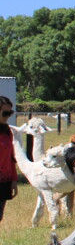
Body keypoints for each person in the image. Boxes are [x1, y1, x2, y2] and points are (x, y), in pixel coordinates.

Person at [0, 96, 18, 226]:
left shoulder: (7, 131)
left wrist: (14, 180)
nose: (8, 116)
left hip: (4, 181)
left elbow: (11, 157)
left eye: (10, 113)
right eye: (5, 113)